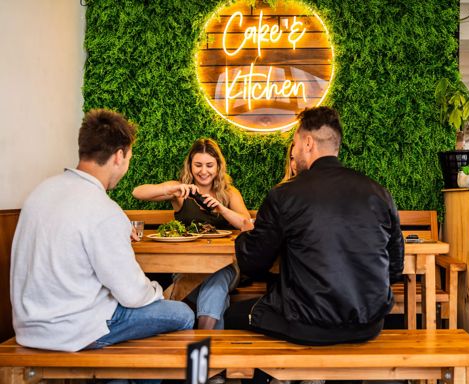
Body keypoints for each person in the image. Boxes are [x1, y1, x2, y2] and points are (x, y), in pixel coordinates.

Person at [10, 109, 194, 355]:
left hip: (28, 327)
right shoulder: (104, 209)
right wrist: (157, 291)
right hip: (75, 330)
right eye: (129, 158)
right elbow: (133, 295)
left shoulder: (41, 192)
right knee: (181, 314)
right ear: (119, 155)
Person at [225, 106, 405, 347]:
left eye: (296, 143)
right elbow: (394, 268)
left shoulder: (285, 195)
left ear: (308, 143)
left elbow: (254, 264)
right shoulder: (379, 193)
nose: (295, 150)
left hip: (308, 325)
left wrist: (247, 235)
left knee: (229, 314)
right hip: (369, 324)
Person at [133, 138, 252, 330]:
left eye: (209, 165)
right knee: (216, 291)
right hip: (187, 267)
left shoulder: (229, 193)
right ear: (190, 165)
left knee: (219, 274)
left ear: (218, 167)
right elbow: (138, 192)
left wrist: (222, 209)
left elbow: (247, 226)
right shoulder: (181, 190)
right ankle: (209, 339)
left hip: (225, 266)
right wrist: (171, 188)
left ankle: (201, 337)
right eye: (198, 165)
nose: (203, 171)